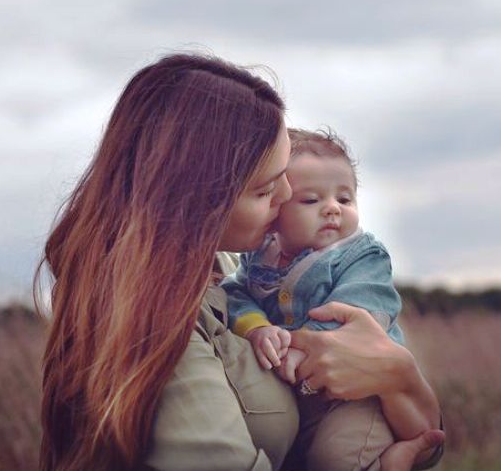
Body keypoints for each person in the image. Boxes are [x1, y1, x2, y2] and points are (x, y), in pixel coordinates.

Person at [35, 53, 443, 471]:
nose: (287, 196)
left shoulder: (231, 269)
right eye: (265, 190)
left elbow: (419, 435)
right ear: (199, 200)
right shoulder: (156, 324)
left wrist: (402, 378)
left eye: (285, 177)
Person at [222, 128, 405, 470]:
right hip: (300, 396)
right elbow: (235, 294)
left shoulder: (362, 255)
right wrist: (257, 328)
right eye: (311, 200)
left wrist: (301, 348)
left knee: (335, 458)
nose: (332, 209)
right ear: (275, 211)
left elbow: (360, 312)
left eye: (345, 199)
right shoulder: (260, 256)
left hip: (357, 396)